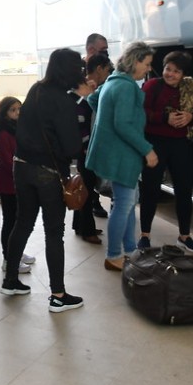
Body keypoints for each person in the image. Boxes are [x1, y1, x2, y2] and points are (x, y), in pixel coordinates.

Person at [1, 48, 86, 313]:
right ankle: (58, 295)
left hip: (21, 167)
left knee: (23, 222)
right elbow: (72, 146)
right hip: (48, 173)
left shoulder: (36, 89)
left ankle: (11, 280)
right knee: (54, 232)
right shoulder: (63, 100)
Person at [84, 41, 158, 272]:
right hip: (122, 155)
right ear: (135, 61)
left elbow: (92, 100)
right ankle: (114, 254)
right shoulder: (125, 87)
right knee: (124, 205)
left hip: (114, 153)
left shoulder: (113, 81)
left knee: (126, 204)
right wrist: (148, 149)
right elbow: (123, 124)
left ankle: (130, 249)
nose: (148, 69)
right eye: (146, 64)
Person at [138, 50, 193, 253]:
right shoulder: (152, 85)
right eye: (168, 69)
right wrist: (164, 118)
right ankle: (145, 235)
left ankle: (184, 236)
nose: (170, 74)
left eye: (176, 71)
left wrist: (189, 118)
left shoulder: (190, 88)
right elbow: (141, 112)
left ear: (183, 74)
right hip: (155, 142)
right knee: (150, 189)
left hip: (180, 143)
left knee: (184, 190)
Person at [0, 97, 35, 274]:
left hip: (19, 181)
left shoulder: (18, 129)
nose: (17, 113)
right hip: (9, 183)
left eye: (19, 109)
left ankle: (17, 252)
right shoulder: (3, 133)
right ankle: (8, 259)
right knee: (10, 221)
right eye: (13, 110)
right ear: (4, 113)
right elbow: (8, 161)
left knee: (19, 221)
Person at [71, 52, 113, 244]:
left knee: (84, 187)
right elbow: (80, 120)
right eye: (107, 69)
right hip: (86, 148)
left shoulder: (91, 88)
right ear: (99, 69)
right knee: (86, 189)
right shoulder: (87, 89)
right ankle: (87, 230)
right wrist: (87, 145)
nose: (108, 72)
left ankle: (81, 225)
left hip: (85, 147)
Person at [84, 33, 111, 219]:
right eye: (103, 50)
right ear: (91, 50)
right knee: (86, 171)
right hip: (83, 126)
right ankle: (91, 202)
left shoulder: (109, 69)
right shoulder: (78, 71)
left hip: (99, 125)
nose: (107, 53)